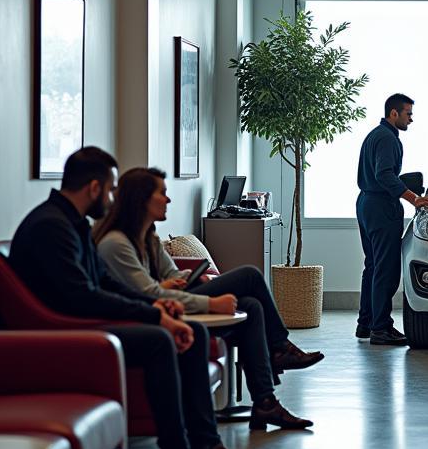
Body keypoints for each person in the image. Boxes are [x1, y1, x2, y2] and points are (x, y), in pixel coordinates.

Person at [9, 147, 256, 449]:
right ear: (94, 187)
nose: (111, 198)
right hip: (66, 337)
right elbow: (82, 297)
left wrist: (157, 305)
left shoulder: (72, 223)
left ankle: (204, 448)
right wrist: (155, 316)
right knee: (159, 340)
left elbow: (105, 283)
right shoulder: (51, 227)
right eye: (110, 190)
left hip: (84, 324)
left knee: (195, 332)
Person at [93, 167, 320, 431]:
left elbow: (172, 275)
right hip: (156, 313)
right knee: (249, 276)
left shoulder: (148, 238)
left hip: (173, 298)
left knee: (251, 306)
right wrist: (209, 303)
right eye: (162, 194)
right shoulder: (116, 244)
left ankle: (265, 403)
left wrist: (188, 277)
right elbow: (149, 295)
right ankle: (280, 347)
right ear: (141, 199)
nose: (168, 200)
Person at [355, 93, 428, 345]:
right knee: (386, 270)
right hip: (381, 207)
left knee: (372, 267)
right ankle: (381, 328)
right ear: (394, 114)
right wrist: (414, 198)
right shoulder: (388, 139)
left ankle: (365, 324)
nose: (411, 119)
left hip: (366, 204)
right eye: (408, 114)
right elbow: (384, 174)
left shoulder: (375, 135)